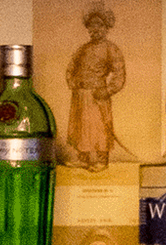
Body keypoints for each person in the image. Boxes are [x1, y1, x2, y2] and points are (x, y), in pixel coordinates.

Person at [66, 4, 127, 171]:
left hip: (97, 95)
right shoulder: (83, 48)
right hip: (80, 95)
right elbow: (71, 67)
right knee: (81, 128)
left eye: (99, 25)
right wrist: (72, 82)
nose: (95, 29)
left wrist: (107, 91)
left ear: (106, 28)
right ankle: (83, 159)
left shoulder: (111, 49)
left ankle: (101, 160)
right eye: (92, 25)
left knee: (99, 127)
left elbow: (120, 75)